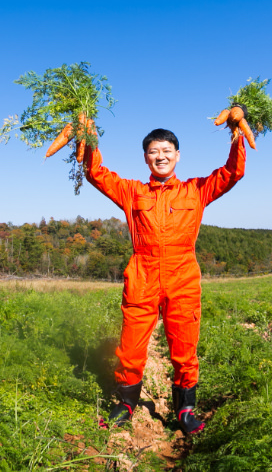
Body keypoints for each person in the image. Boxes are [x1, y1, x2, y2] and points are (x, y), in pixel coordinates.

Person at [83, 126, 246, 435]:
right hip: (142, 274)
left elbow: (232, 173)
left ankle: (185, 410)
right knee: (130, 347)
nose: (161, 156)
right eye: (154, 152)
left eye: (166, 151)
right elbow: (96, 173)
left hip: (182, 275)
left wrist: (237, 134)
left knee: (184, 347)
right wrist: (87, 138)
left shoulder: (196, 190)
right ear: (146, 158)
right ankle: (126, 404)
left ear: (177, 156)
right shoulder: (132, 191)